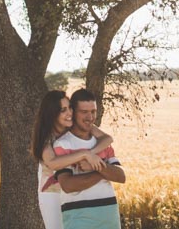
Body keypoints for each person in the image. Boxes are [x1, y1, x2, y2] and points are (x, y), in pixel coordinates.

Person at [31, 90, 114, 229]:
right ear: (53, 113)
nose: (69, 113)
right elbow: (52, 163)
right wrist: (84, 154)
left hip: (73, 191)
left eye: (69, 107)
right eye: (63, 110)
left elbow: (107, 139)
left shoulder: (74, 128)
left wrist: (91, 153)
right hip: (52, 193)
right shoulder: (47, 137)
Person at [53, 88, 126, 229]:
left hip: (109, 214)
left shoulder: (102, 143)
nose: (90, 117)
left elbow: (120, 176)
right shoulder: (63, 144)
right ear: (73, 112)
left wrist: (95, 165)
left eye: (93, 111)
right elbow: (68, 185)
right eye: (84, 112)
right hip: (78, 216)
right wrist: (103, 171)